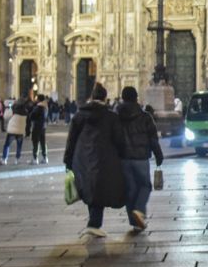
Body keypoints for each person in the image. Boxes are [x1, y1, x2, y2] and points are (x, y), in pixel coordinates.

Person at [64, 83, 127, 238]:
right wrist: (122, 155)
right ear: (105, 98)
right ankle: (94, 223)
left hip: (82, 157)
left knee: (89, 186)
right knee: (99, 187)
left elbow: (71, 139)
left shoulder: (79, 115)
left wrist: (68, 160)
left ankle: (94, 222)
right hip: (105, 157)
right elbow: (119, 140)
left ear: (91, 98)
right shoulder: (111, 117)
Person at [115, 86, 162, 231]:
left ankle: (135, 222)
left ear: (122, 98)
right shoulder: (145, 117)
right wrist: (158, 155)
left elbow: (113, 137)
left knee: (130, 189)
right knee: (145, 186)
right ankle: (139, 211)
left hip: (123, 158)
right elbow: (153, 139)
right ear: (136, 98)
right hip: (141, 157)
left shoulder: (116, 117)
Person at [1, 96, 29, 165]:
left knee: (7, 145)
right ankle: (17, 159)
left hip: (12, 131)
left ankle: (4, 159)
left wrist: (9, 107)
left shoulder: (13, 109)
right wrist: (27, 132)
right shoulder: (26, 111)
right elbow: (28, 123)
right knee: (19, 146)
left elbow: (6, 117)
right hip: (20, 131)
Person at [29, 94, 48, 164]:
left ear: (39, 99)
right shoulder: (46, 107)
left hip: (37, 126)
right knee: (43, 143)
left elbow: (31, 116)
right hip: (43, 127)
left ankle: (35, 158)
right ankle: (45, 158)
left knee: (35, 142)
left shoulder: (38, 107)